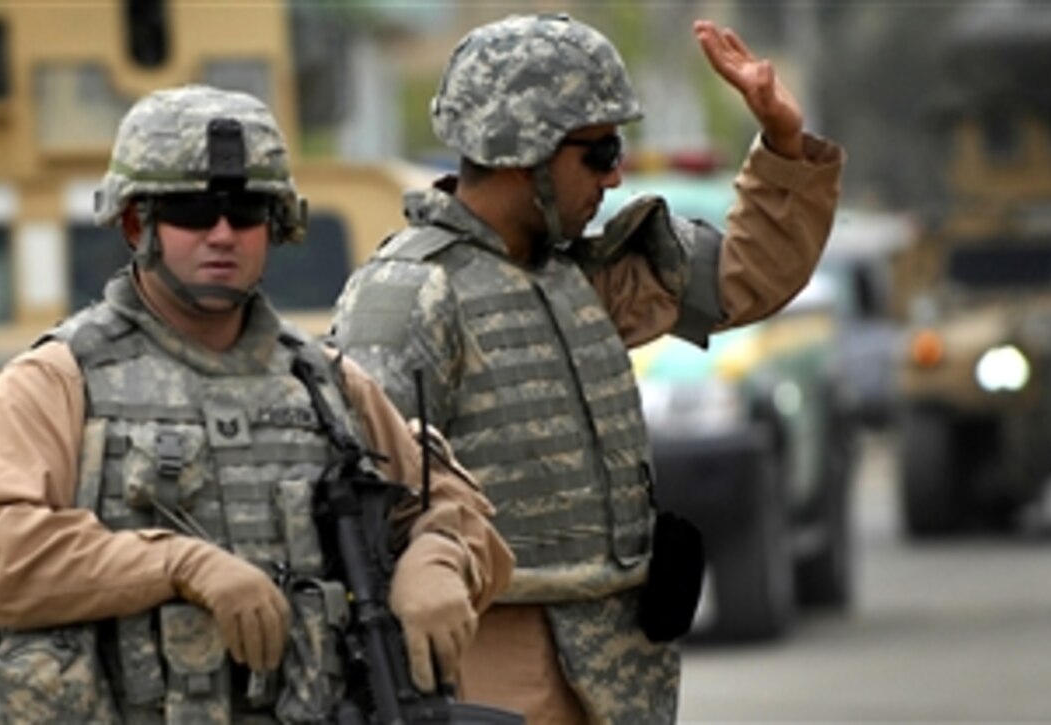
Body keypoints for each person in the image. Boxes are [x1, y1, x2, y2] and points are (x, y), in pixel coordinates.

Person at [330, 13, 844, 724]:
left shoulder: (574, 278)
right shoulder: (411, 294)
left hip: (613, 664)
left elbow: (745, 273)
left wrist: (783, 144)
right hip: (498, 662)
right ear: (522, 150)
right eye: (598, 152)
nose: (614, 173)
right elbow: (366, 495)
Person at [0, 84, 514, 723]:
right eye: (193, 212)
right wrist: (175, 563)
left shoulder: (326, 383)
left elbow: (451, 510)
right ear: (136, 224)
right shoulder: (60, 381)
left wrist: (438, 559)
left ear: (278, 225)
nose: (223, 233)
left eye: (246, 211)